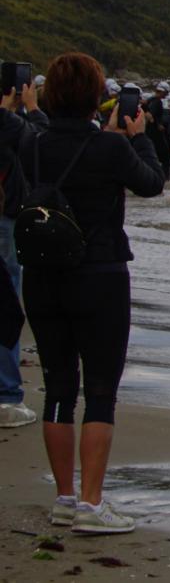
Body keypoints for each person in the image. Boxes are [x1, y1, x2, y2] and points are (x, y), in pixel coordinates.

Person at [18, 52, 165, 533]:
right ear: (98, 99)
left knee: (58, 386)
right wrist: (140, 139)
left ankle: (63, 498)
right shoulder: (111, 148)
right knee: (100, 390)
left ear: (47, 94)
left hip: (42, 274)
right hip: (99, 274)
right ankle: (91, 504)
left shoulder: (31, 144)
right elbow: (151, 185)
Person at [1, 79, 47, 428]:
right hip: (4, 220)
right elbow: (42, 148)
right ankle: (6, 395)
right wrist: (31, 110)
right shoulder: (9, 124)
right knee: (6, 304)